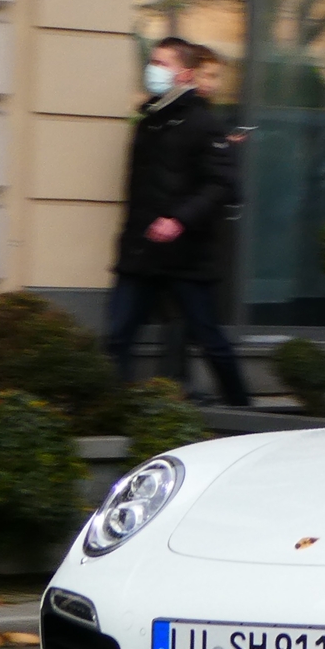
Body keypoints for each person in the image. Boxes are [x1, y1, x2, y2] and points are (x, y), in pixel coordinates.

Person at [106, 37, 250, 406]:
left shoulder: (204, 124)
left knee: (208, 337)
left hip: (186, 256)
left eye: (161, 63)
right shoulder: (149, 121)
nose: (153, 69)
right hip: (142, 253)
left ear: (184, 73)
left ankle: (244, 409)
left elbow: (223, 185)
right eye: (152, 61)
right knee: (116, 338)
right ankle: (109, 410)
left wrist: (178, 220)